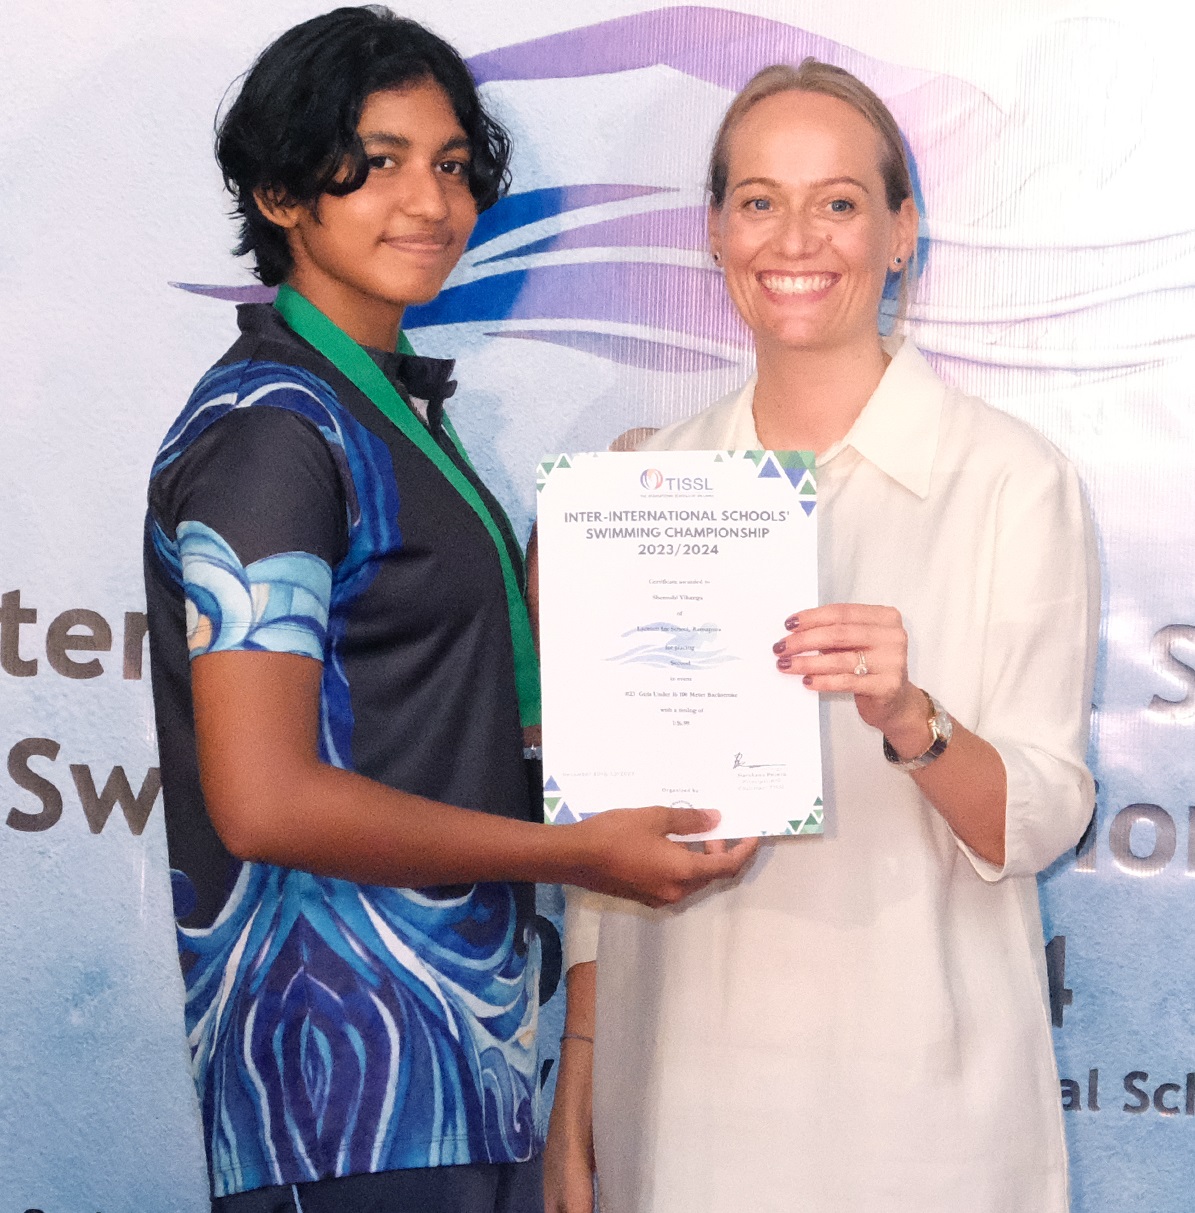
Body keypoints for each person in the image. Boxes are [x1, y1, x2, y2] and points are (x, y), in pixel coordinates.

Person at [143, 9, 756, 1212]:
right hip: (345, 1086)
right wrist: (576, 853)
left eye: (451, 165)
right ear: (278, 191)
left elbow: (425, 693)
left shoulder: (373, 406)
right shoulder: (276, 431)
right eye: (373, 163)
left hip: (449, 1059)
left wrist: (593, 552)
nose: (426, 199)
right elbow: (264, 797)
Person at [544, 59, 1098, 1213]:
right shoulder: (641, 480)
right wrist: (579, 1088)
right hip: (676, 1105)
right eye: (758, 200)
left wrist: (913, 718)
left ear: (901, 233)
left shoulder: (1007, 479)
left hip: (919, 1118)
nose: (795, 237)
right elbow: (603, 843)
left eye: (839, 201)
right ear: (713, 233)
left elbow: (1040, 816)